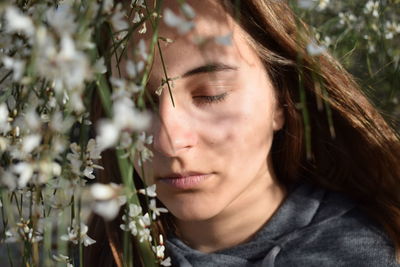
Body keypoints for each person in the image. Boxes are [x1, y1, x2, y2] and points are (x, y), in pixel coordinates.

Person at [85, 0, 400, 266]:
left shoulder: (360, 253)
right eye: (135, 103)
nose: (169, 142)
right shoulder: (87, 246)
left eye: (212, 94)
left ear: (281, 101)